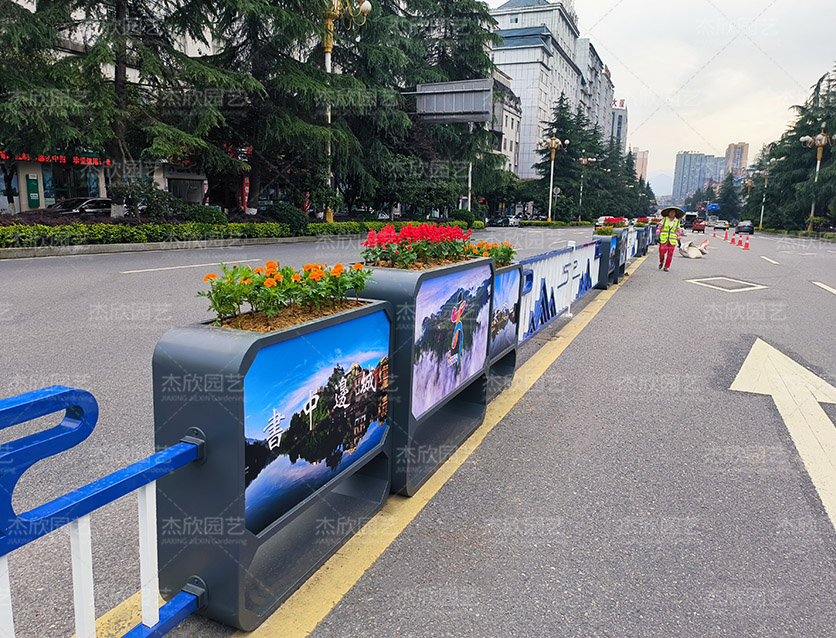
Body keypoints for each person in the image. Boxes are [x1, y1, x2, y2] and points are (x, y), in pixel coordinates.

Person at [656, 207, 683, 271]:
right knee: (661, 252)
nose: (672, 214)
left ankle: (666, 266)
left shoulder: (677, 221)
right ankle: (661, 262)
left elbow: (678, 231)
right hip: (663, 239)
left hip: (672, 240)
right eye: (671, 212)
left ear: (675, 214)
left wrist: (679, 240)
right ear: (668, 213)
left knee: (670, 254)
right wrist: (657, 236)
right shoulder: (664, 220)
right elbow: (659, 228)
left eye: (673, 212)